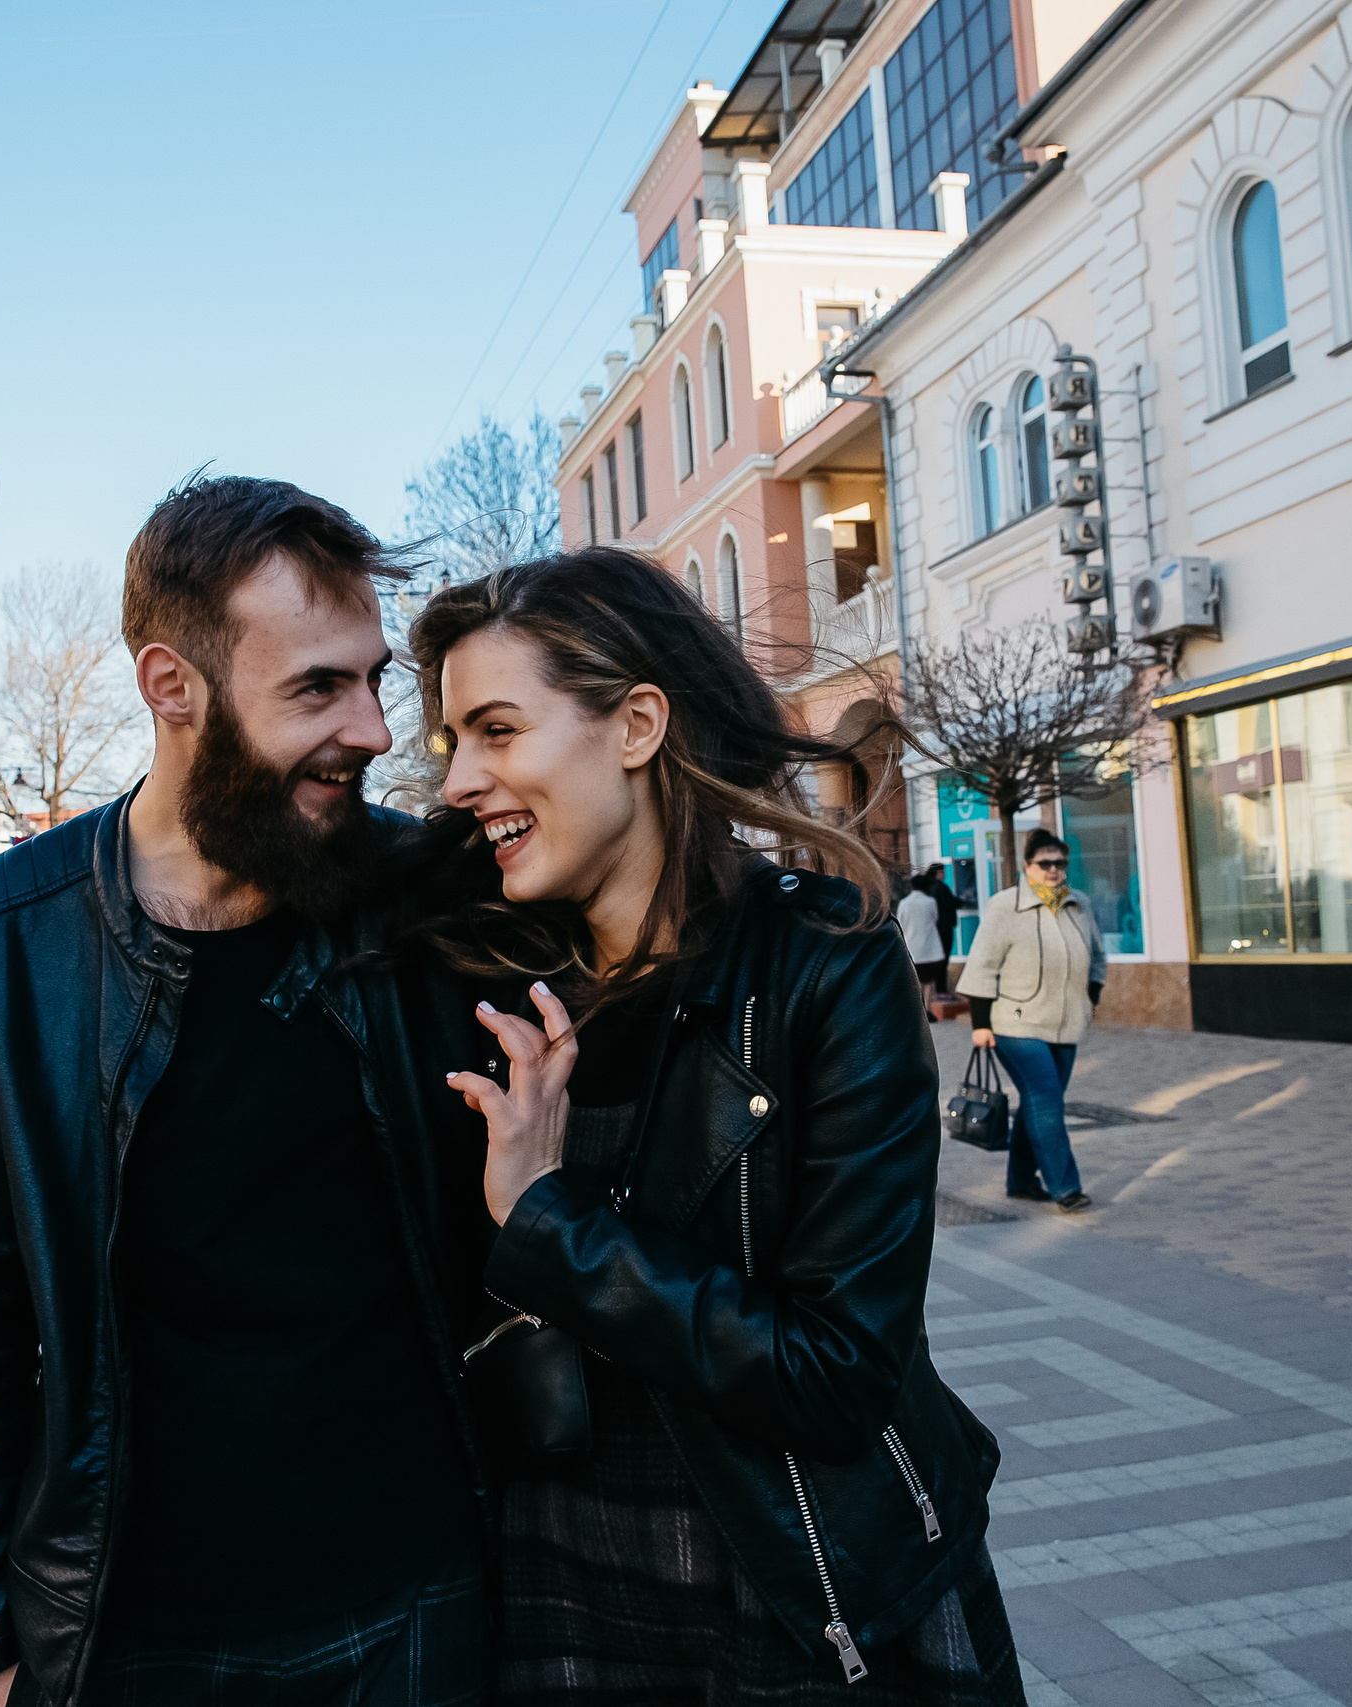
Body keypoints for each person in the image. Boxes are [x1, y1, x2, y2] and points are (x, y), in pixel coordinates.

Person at [0, 476, 488, 1707]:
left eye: (372, 678)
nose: (376, 729)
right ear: (173, 686)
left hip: (418, 1602)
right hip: (135, 1625)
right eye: (317, 687)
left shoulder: (424, 898)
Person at [406, 548, 1024, 1704]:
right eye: (451, 744)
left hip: (788, 1587)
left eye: (496, 730)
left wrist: (550, 1223)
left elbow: (837, 1373)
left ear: (636, 723)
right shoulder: (480, 980)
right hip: (553, 1586)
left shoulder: (824, 973)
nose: (457, 781)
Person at [956, 828, 1106, 1213]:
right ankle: (1065, 1187)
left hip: (1066, 1023)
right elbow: (981, 967)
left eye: (1060, 863)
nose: (1054, 869)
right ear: (1027, 866)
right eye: (1045, 863)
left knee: (1037, 1103)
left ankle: (1021, 1181)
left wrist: (1090, 999)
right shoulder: (1006, 906)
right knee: (1046, 1099)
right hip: (1014, 1024)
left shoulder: (1080, 903)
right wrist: (980, 1024)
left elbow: (1097, 958)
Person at [899, 871, 950, 996]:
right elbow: (935, 918)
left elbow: (900, 922)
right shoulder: (930, 902)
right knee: (928, 981)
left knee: (914, 982)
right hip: (930, 947)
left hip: (911, 947)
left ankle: (920, 1009)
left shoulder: (904, 903)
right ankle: (927, 1008)